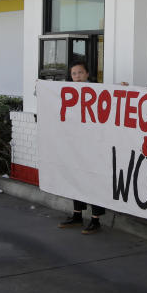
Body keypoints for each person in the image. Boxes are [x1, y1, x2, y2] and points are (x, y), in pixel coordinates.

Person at [57, 61, 106, 235]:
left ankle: (95, 219)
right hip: (75, 145)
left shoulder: (97, 90)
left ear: (87, 74)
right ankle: (77, 215)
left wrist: (122, 89)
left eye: (80, 73)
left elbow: (113, 98)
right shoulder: (67, 92)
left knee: (93, 181)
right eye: (74, 74)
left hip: (93, 145)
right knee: (76, 178)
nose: (77, 76)